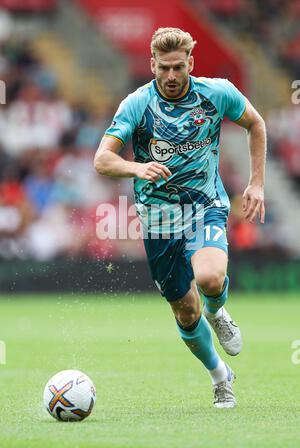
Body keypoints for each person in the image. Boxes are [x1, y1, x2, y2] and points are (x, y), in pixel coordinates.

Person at [94, 27, 266, 408]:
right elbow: (102, 159)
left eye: (178, 68)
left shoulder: (216, 93)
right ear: (151, 65)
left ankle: (218, 311)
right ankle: (221, 376)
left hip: (205, 204)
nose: (171, 77)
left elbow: (256, 123)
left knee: (209, 276)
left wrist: (256, 184)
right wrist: (137, 169)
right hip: (158, 220)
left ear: (191, 63)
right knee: (185, 312)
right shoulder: (137, 104)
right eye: (163, 69)